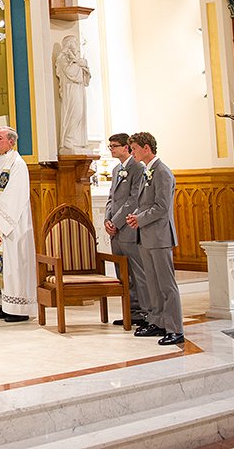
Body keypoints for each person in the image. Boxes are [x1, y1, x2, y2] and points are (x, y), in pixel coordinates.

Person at [125, 131, 184, 346]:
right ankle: (159, 322)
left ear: (146, 148)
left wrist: (139, 219)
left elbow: (162, 207)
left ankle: (175, 328)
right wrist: (136, 217)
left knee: (166, 285)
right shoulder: (147, 171)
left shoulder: (162, 172)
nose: (132, 153)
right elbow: (145, 203)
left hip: (159, 236)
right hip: (146, 236)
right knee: (152, 284)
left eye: (134, 149)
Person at [0, 126, 37, 322]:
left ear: (12, 141)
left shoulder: (18, 165)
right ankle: (3, 304)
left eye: (0, 138)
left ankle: (17, 309)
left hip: (11, 227)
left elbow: (14, 196)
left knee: (12, 265)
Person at [104, 132, 149, 325]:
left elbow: (134, 200)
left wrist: (117, 221)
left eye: (114, 146)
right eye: (110, 146)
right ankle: (130, 311)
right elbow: (111, 198)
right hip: (116, 230)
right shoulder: (116, 170)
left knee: (137, 272)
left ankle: (144, 312)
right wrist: (107, 219)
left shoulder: (137, 168)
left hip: (129, 227)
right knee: (122, 272)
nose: (111, 149)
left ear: (126, 148)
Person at [56, 35, 91, 152]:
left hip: (79, 89)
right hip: (70, 90)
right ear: (69, 44)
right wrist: (78, 63)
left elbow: (86, 77)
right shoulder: (63, 57)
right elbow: (70, 73)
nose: (76, 46)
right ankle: (68, 140)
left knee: (80, 114)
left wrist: (80, 62)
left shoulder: (76, 59)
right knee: (74, 113)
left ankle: (77, 141)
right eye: (74, 43)